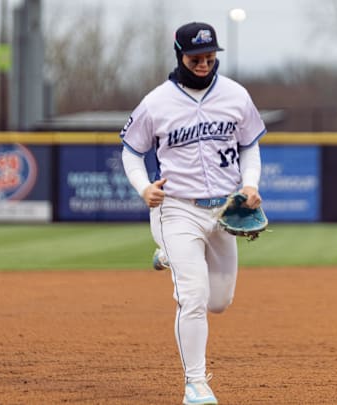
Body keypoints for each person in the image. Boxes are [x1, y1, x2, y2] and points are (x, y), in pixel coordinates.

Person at [120, 21, 266, 405]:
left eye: (209, 56)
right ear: (180, 56)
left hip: (223, 210)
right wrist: (143, 187)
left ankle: (166, 254)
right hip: (178, 208)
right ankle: (195, 384)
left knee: (220, 301)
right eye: (196, 57)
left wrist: (249, 184)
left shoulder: (235, 95)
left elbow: (250, 145)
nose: (203, 63)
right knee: (194, 297)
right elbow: (131, 152)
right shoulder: (156, 103)